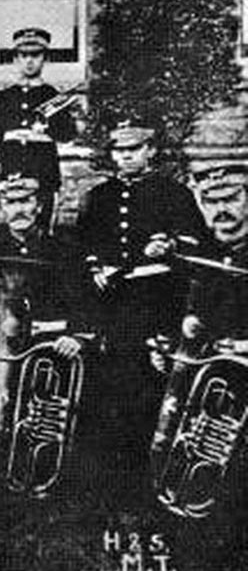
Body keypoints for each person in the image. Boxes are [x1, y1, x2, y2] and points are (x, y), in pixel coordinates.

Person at [76, 120, 205, 480]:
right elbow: (82, 244)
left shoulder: (173, 193)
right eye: (120, 150)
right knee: (111, 383)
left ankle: (154, 467)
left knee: (153, 384)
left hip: (157, 302)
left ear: (151, 151)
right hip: (112, 304)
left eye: (134, 150)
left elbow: (197, 242)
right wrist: (94, 267)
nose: (126, 157)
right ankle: (112, 469)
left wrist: (169, 246)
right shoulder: (98, 196)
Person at [0, 169, 91, 475]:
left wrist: (77, 336)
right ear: (0, 207)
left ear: (39, 205)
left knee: (44, 418)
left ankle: (44, 472)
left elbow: (85, 301)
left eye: (26, 201)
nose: (19, 209)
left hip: (49, 348)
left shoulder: (63, 249)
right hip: (0, 348)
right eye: (9, 202)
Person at [150, 162, 248, 493]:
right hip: (204, 390)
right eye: (210, 201)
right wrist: (165, 349)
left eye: (231, 199)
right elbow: (176, 317)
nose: (221, 210)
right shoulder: (194, 256)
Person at [0, 27, 79, 223]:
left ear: (45, 58)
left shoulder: (54, 97)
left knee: (42, 230)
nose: (29, 61)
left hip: (43, 174)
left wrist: (51, 123)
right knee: (13, 228)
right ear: (15, 59)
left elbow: (68, 134)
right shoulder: (4, 98)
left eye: (35, 55)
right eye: (23, 55)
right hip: (11, 174)